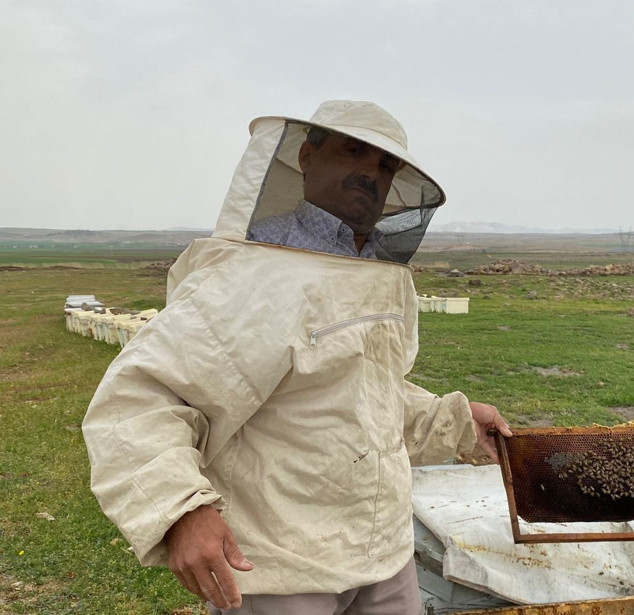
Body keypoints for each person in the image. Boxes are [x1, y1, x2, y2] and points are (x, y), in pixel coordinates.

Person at [83, 100, 512, 614]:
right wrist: (180, 512)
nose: (371, 174)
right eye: (355, 152)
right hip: (281, 567)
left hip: (383, 552)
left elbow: (362, 397)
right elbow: (141, 398)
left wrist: (459, 423)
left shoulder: (378, 272)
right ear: (307, 157)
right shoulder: (252, 271)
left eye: (385, 166)